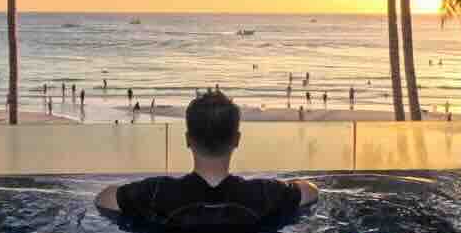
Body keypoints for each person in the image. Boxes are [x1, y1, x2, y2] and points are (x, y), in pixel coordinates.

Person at [95, 90, 319, 224]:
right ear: (237, 140)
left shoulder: (158, 193)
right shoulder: (263, 194)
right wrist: (289, 184)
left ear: (188, 140)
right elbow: (310, 191)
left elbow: (105, 198)